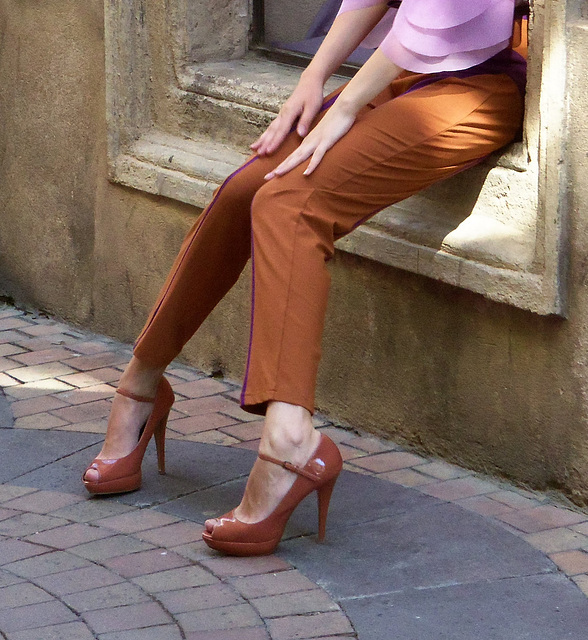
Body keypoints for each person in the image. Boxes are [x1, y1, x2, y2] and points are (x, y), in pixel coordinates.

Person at [83, 0, 529, 556]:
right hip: (408, 69)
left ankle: (291, 440)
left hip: (484, 79)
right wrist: (315, 78)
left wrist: (349, 106)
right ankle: (142, 381)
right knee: (247, 191)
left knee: (290, 205)